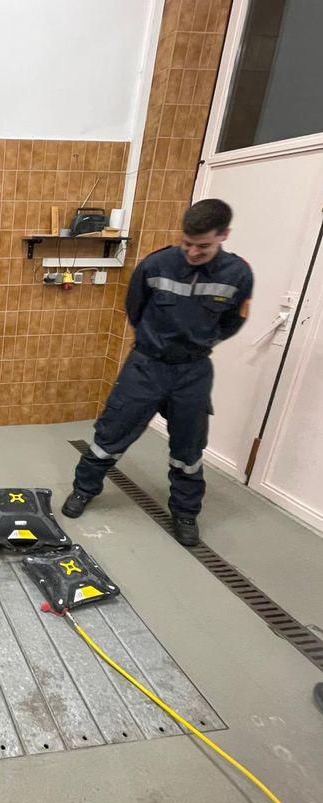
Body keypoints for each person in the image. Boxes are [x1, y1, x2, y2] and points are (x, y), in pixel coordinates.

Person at [62, 199, 253, 547]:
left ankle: (185, 513)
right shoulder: (156, 264)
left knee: (189, 448)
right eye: (187, 243)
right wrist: (156, 343)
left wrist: (195, 344)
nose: (192, 252)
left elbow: (232, 322)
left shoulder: (238, 274)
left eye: (202, 246)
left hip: (193, 370)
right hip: (146, 365)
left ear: (223, 235)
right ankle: (83, 490)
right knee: (110, 434)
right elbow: (134, 308)